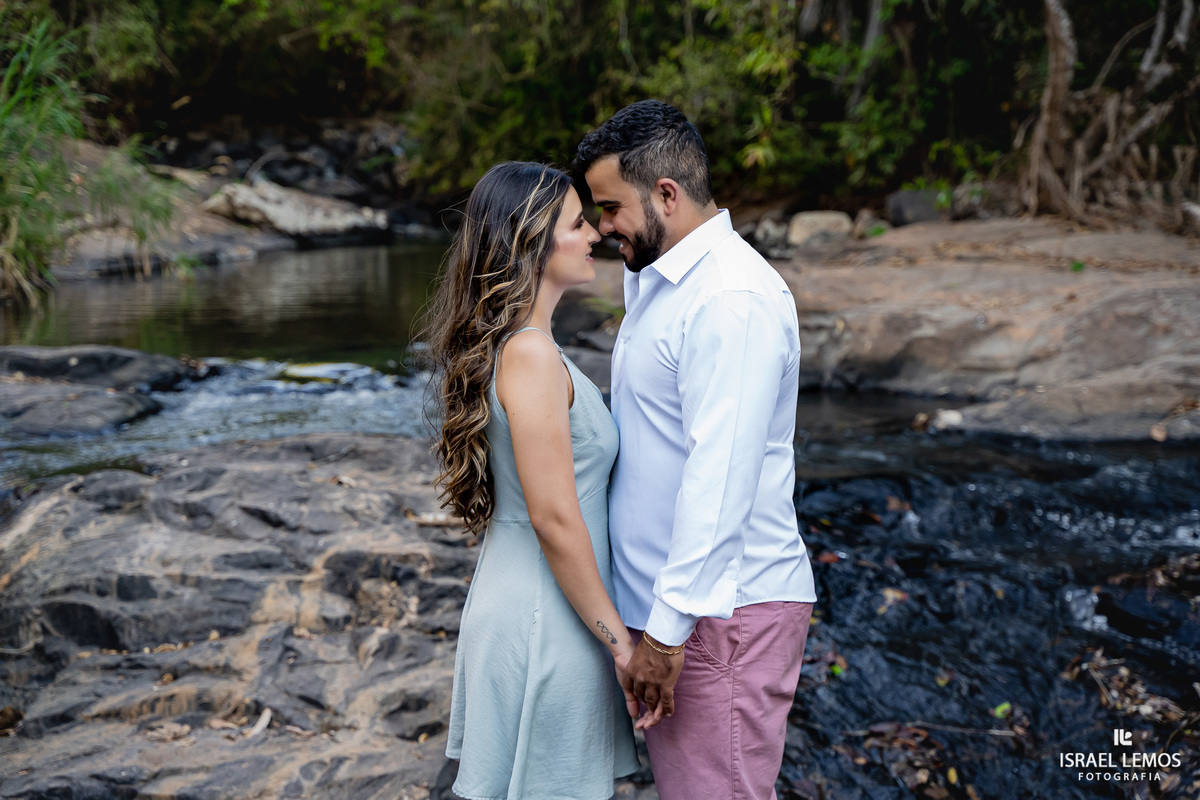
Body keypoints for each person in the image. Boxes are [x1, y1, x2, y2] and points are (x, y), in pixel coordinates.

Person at [575, 100, 818, 800]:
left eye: (611, 207)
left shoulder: (730, 300)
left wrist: (669, 633)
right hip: (679, 610)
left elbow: (721, 478)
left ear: (667, 195)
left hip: (721, 616)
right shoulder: (661, 280)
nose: (601, 226)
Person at [427, 161, 640, 799]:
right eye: (577, 224)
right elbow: (552, 517)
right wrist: (622, 645)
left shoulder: (530, 349)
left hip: (546, 607)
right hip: (545, 619)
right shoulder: (530, 355)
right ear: (532, 242)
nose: (594, 235)